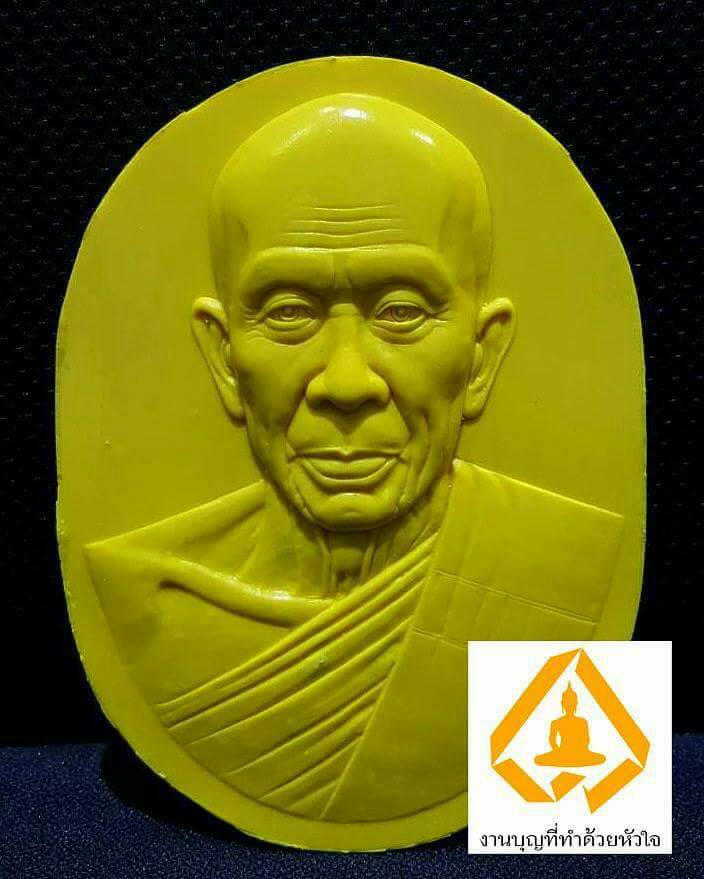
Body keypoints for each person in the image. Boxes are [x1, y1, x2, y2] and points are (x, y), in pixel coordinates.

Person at [85, 94, 623, 822]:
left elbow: (575, 801)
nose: (345, 383)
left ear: (482, 356)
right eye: (288, 312)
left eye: (402, 311)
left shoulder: (567, 572)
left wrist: (566, 822)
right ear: (223, 359)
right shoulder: (143, 596)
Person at [535, 682, 606, 767]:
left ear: (576, 703)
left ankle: (570, 760)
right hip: (562, 752)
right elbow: (552, 741)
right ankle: (569, 760)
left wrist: (580, 750)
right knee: (538, 759)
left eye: (572, 702)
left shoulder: (582, 722)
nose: (569, 705)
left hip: (580, 753)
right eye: (567, 702)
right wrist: (559, 752)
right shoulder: (556, 722)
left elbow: (586, 740)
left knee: (601, 758)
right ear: (562, 704)